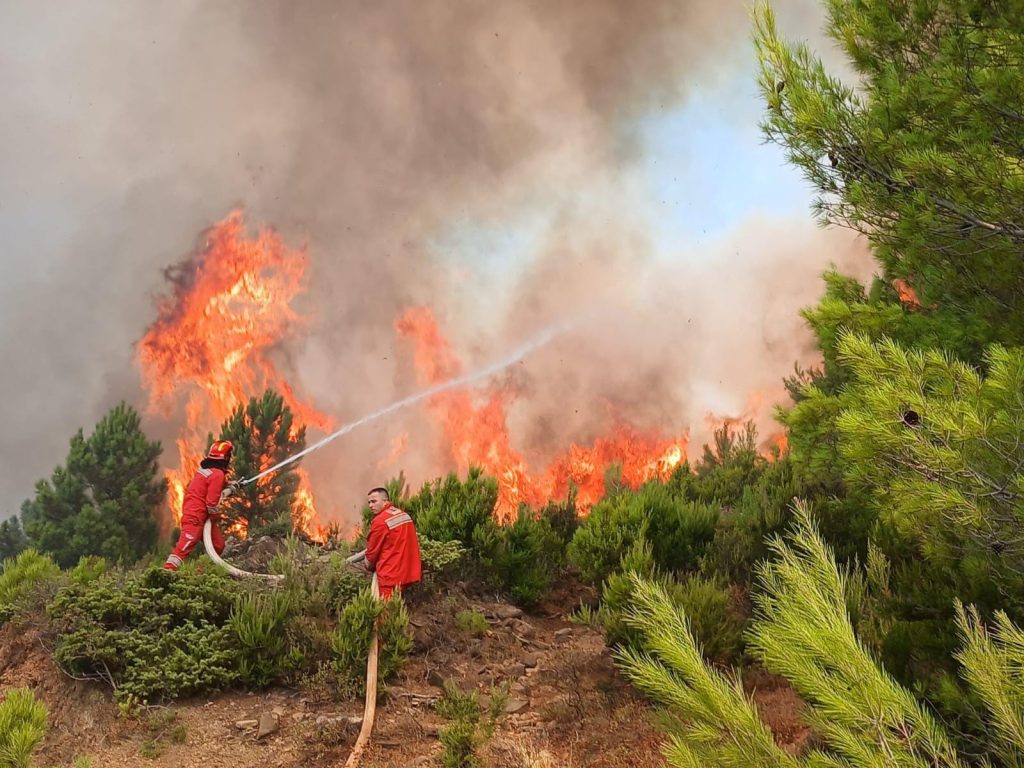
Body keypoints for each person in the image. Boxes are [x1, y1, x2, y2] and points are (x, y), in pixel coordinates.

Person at [163, 440, 235, 571]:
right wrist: (216, 518)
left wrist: (229, 485)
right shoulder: (218, 475)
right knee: (184, 547)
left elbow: (210, 483)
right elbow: (212, 504)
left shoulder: (206, 470)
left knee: (218, 546)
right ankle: (167, 572)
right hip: (195, 517)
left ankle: (200, 573)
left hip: (200, 516)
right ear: (225, 458)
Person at [363, 486, 422, 600]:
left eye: (374, 501)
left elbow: (372, 553)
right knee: (397, 605)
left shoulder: (380, 521)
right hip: (407, 572)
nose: (370, 505)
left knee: (384, 609)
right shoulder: (403, 514)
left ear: (385, 501)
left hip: (389, 575)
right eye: (369, 502)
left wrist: (367, 565)